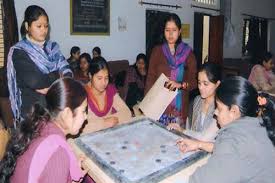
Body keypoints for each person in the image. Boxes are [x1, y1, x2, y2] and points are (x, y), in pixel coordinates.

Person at [177, 76, 275, 183]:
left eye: (219, 108)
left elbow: (199, 180)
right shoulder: (261, 123)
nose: (215, 112)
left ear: (233, 111)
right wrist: (199, 144)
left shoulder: (233, 140)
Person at [0, 78, 88, 182]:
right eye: (83, 111)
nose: (85, 117)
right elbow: (53, 161)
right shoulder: (58, 154)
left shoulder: (40, 126)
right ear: (66, 114)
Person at [7, 5, 72, 123]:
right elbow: (35, 81)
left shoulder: (52, 48)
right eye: (39, 26)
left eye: (46, 26)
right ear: (27, 26)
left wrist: (50, 86)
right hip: (32, 114)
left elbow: (67, 71)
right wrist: (58, 74)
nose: (44, 30)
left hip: (55, 109)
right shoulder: (19, 51)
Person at [145, 13, 197, 125]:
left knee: (176, 140)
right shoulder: (157, 51)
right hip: (159, 107)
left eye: (174, 30)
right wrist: (147, 105)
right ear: (163, 31)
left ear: (180, 31)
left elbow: (195, 82)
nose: (170, 34)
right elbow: (150, 79)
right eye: (167, 30)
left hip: (179, 108)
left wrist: (181, 84)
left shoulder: (188, 53)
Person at [167, 62, 221, 141]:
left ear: (217, 84)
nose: (201, 88)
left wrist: (182, 131)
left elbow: (206, 138)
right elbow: (191, 128)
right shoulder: (197, 100)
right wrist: (180, 128)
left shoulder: (221, 107)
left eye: (205, 84)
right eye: (199, 83)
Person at [83, 56, 131, 133]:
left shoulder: (110, 90)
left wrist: (97, 123)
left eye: (106, 78)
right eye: (99, 78)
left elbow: (127, 113)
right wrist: (103, 123)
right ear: (90, 76)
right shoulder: (82, 94)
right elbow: (79, 127)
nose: (104, 83)